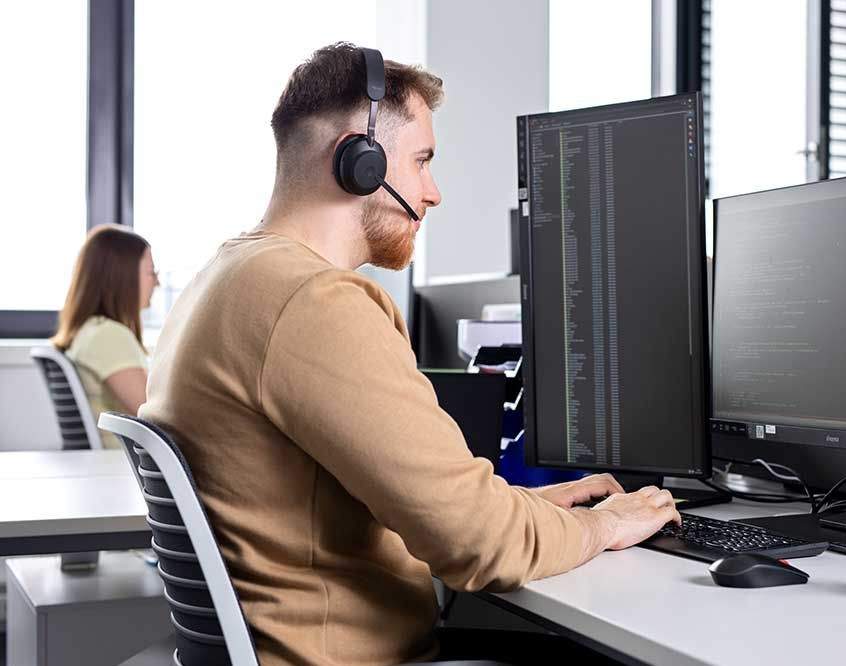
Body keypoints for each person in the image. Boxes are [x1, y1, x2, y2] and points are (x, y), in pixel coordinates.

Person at [140, 43, 680, 666]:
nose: (433, 192)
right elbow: (477, 545)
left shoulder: (229, 277)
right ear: (358, 160)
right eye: (421, 161)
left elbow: (427, 507)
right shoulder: (311, 302)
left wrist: (524, 506)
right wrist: (606, 525)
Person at [53, 224, 159, 448]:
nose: (157, 283)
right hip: (123, 467)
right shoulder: (108, 336)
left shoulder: (89, 330)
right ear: (121, 276)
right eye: (151, 272)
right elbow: (156, 418)